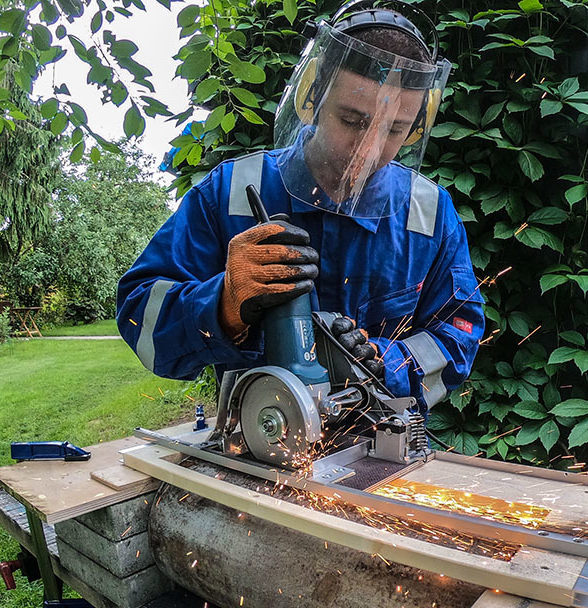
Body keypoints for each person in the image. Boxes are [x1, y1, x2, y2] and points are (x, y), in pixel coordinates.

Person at [116, 2, 484, 414]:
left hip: (386, 445)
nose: (368, 151)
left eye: (394, 130)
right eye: (352, 120)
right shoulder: (233, 191)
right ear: (312, 97)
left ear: (416, 127)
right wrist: (223, 302)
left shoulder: (429, 213)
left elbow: (460, 332)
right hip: (257, 441)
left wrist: (384, 362)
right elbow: (140, 313)